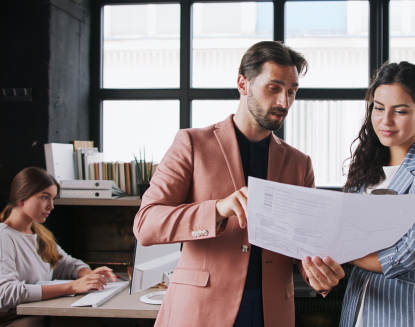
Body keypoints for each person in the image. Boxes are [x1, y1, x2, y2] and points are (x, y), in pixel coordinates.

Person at [133, 41, 344, 327]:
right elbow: (146, 225)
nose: (284, 102)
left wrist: (320, 275)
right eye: (274, 88)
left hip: (272, 311)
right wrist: (217, 209)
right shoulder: (192, 144)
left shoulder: (299, 163)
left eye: (292, 91)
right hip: (201, 310)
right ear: (243, 84)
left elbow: (305, 247)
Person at [339, 61, 415, 326]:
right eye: (379, 108)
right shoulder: (364, 165)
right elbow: (342, 230)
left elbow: (413, 253)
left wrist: (345, 253)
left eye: (400, 111)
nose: (386, 121)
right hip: (363, 305)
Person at [0, 167, 117, 326]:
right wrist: (72, 286)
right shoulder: (4, 236)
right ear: (22, 197)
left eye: (53, 198)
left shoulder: (39, 233)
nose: (51, 206)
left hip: (40, 311)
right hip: (13, 319)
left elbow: (65, 263)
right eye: (44, 197)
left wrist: (88, 275)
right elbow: (7, 293)